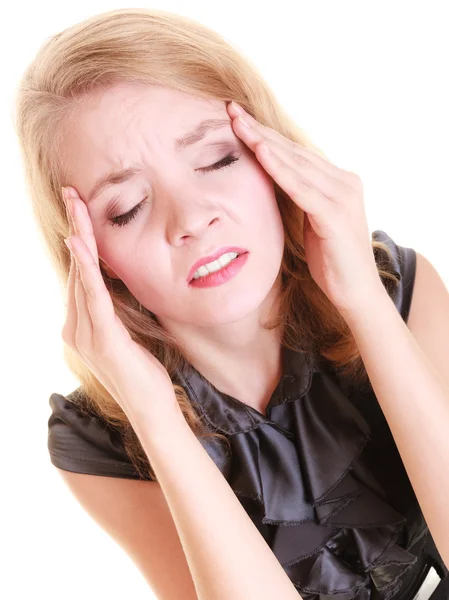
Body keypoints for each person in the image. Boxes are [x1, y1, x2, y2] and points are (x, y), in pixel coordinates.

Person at [13, 7, 449, 600]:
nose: (193, 218)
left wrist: (367, 306)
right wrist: (157, 421)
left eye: (217, 160)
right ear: (94, 261)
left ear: (274, 157)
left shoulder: (399, 290)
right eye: (128, 206)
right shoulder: (96, 442)